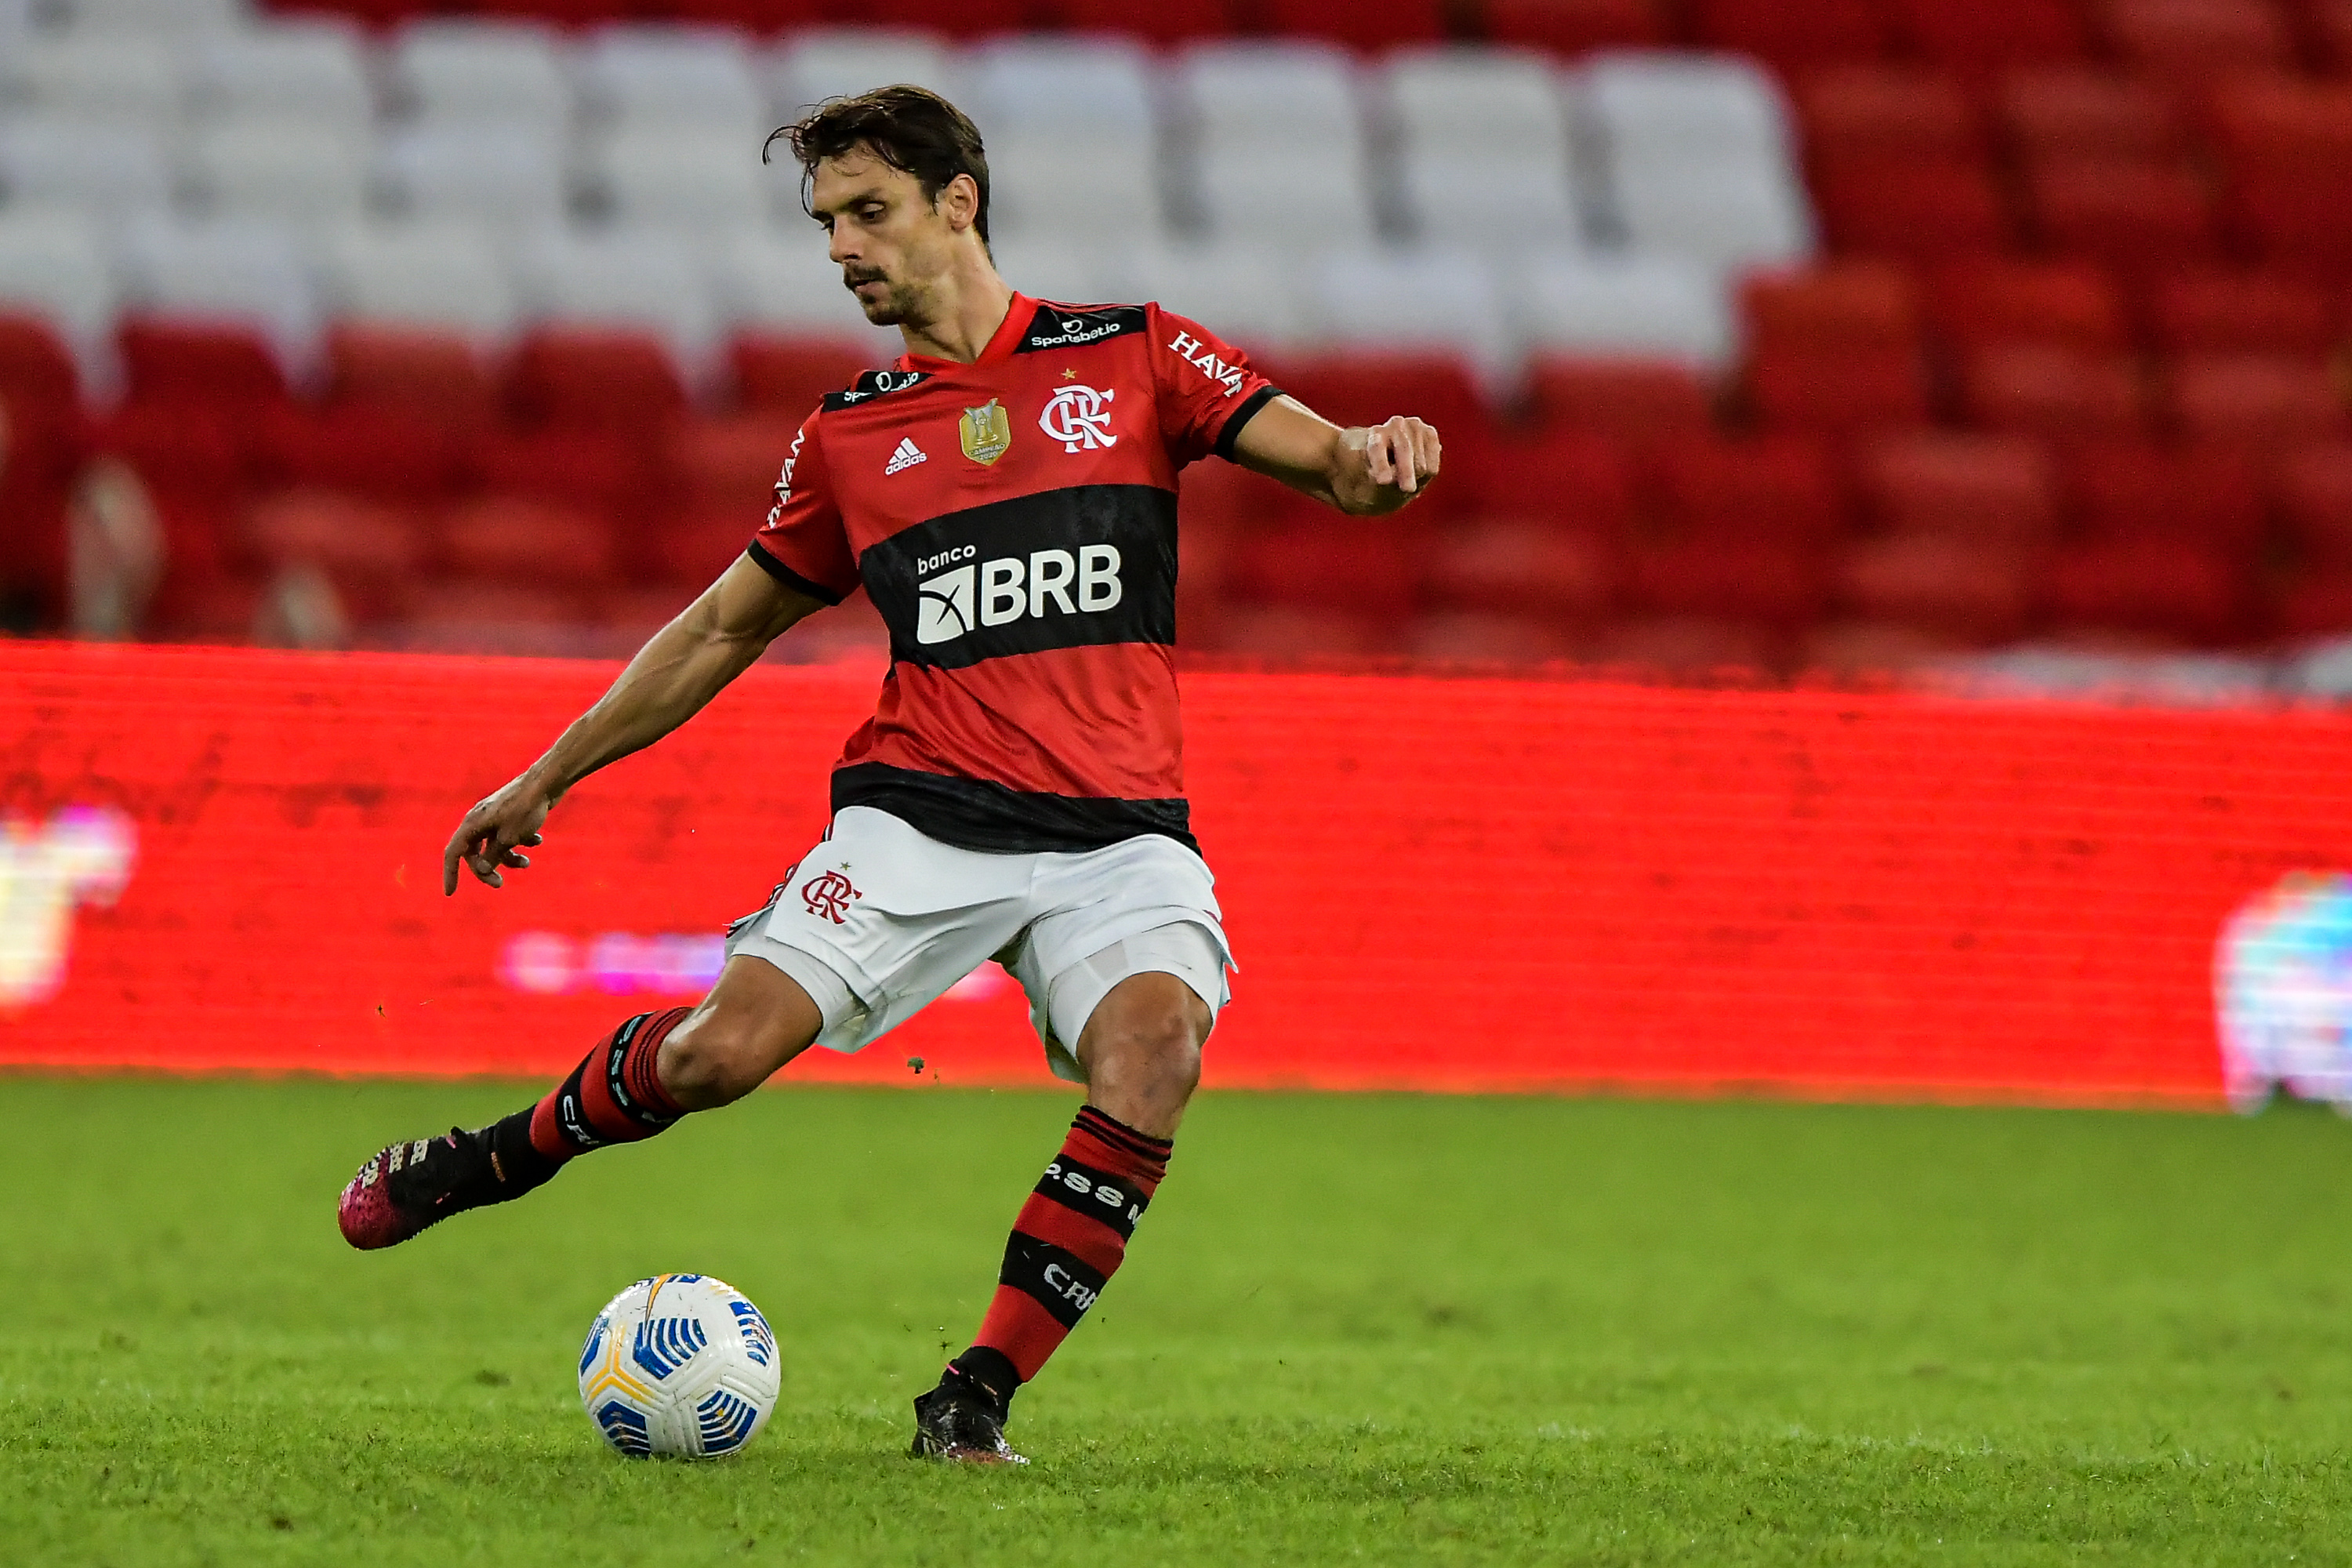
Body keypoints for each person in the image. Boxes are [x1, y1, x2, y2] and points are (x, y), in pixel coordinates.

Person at [335, 84, 1442, 1465]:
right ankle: (485, 1161)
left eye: (870, 213)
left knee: (1155, 1058)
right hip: (921, 821)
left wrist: (1376, 460)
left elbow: (1337, 468)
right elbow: (726, 625)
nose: (845, 248)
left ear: (957, 203)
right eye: (827, 225)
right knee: (713, 1057)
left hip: (1119, 836)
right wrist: (549, 774)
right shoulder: (850, 438)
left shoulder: (1134, 355)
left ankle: (970, 1397)